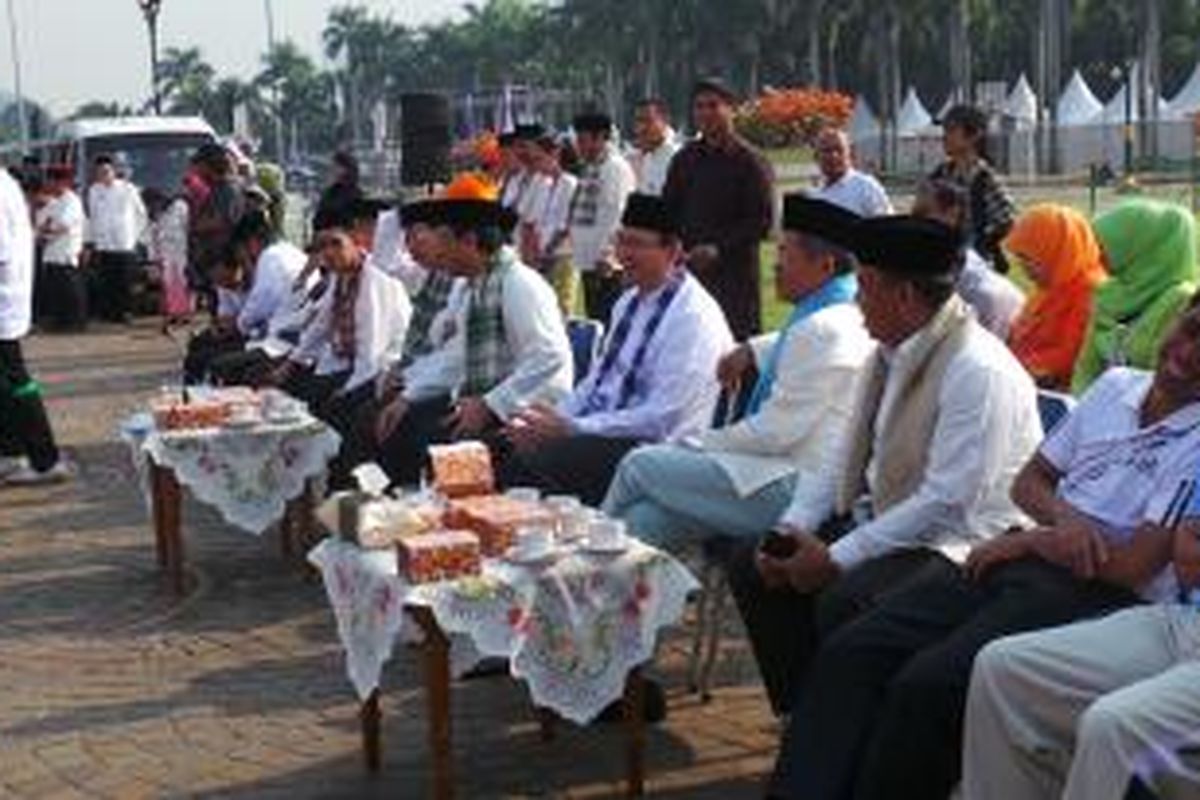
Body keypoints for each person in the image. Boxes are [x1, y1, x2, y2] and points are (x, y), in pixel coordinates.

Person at [779, 298, 1200, 800]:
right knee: (859, 644)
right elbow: (1030, 482)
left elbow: (1132, 568)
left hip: (1095, 591)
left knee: (929, 683)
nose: (1189, 352)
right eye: (1190, 329)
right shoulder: (1115, 387)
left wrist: (1039, 538)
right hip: (1023, 556)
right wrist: (1062, 522)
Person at [726, 215, 1041, 728]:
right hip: (893, 516)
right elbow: (841, 454)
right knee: (754, 561)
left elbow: (946, 501)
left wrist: (835, 557)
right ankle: (809, 714)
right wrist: (794, 528)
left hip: (961, 543)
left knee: (843, 597)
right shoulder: (889, 353)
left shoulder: (976, 369)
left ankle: (843, 723)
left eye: (866, 288)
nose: (856, 301)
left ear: (906, 298)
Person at [602, 196, 873, 547]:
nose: (774, 265)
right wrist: (750, 349)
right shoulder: (839, 311)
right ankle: (615, 585)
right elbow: (795, 343)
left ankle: (582, 554)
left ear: (824, 266)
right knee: (645, 522)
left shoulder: (822, 329)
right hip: (780, 474)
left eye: (784, 254)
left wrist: (703, 443)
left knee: (639, 464)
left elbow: (774, 433)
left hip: (794, 488)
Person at [965, 484, 1200, 800]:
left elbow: (1149, 563)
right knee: (1002, 665)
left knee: (1113, 725)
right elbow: (1188, 554)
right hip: (1184, 620)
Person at [497, 193, 733, 505]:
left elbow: (662, 416)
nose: (623, 254)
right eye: (621, 241)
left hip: (659, 450)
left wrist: (572, 428)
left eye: (637, 244)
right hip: (608, 431)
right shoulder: (628, 302)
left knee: (526, 467)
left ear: (673, 251)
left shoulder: (692, 316)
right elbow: (597, 382)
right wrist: (550, 421)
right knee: (503, 446)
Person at [375, 192, 573, 487]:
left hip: (528, 405)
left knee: (429, 438)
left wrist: (490, 405)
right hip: (487, 398)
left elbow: (549, 357)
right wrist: (408, 395)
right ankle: (404, 513)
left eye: (443, 239)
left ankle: (445, 520)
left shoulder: (519, 283)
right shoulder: (473, 287)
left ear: (468, 241)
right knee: (401, 419)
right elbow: (457, 358)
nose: (437, 250)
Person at [268, 206, 411, 414]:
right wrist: (290, 364)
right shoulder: (340, 276)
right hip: (345, 362)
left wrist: (346, 390)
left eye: (336, 244)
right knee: (293, 390)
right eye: (322, 247)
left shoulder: (376, 279)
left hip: (379, 368)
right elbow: (321, 324)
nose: (329, 253)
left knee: (326, 406)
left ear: (356, 240)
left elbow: (371, 353)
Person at [663, 77, 774, 341]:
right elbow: (668, 211)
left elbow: (761, 221)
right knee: (690, 346)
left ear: (731, 109)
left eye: (713, 106)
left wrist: (718, 248)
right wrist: (674, 245)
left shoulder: (751, 161)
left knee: (735, 349)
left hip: (734, 278)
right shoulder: (684, 159)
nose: (705, 113)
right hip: (688, 273)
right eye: (699, 107)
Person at [1073, 199, 1198, 394]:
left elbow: (1166, 377)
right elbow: (1086, 368)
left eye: (1108, 244)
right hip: (1099, 407)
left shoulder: (1181, 301)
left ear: (1142, 246)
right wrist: (1082, 409)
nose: (1099, 254)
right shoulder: (1110, 293)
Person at [0, 167, 72, 487]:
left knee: (16, 380)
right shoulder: (7, 183)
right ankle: (11, 453)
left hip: (3, 298)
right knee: (8, 381)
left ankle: (45, 460)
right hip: (8, 297)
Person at [1004, 204, 1107, 391]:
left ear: (1057, 251)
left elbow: (1070, 356)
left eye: (1029, 259)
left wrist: (1012, 370)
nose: (1022, 267)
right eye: (1019, 258)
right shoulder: (1053, 284)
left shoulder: (1091, 292)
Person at [913, 179, 1024, 340]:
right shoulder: (948, 257)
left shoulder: (975, 287)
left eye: (922, 212)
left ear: (951, 214)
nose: (914, 218)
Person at [568, 111, 637, 324]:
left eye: (583, 141)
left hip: (606, 266)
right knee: (596, 320)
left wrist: (608, 254)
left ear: (601, 138)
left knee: (609, 321)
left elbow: (618, 214)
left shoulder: (614, 168)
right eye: (577, 141)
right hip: (588, 261)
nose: (578, 147)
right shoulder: (591, 167)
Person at [929, 104, 1016, 269]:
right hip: (942, 265)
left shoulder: (985, 178)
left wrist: (982, 244)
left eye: (951, 130)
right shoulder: (939, 175)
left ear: (974, 135)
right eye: (944, 130)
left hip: (977, 269)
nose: (945, 136)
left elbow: (1007, 220)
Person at [84, 154, 146, 322]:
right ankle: (109, 313)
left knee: (125, 280)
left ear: (113, 171)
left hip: (124, 242)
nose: (102, 175)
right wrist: (93, 239)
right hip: (104, 243)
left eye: (106, 171)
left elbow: (141, 214)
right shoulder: (94, 190)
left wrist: (135, 236)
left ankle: (126, 312)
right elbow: (93, 215)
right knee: (107, 280)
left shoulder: (128, 188)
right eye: (99, 172)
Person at [525, 134, 579, 315]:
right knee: (546, 307)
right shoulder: (544, 184)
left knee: (563, 307)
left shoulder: (569, 183)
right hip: (544, 255)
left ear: (554, 155)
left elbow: (565, 226)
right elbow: (534, 221)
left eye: (539, 159)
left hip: (563, 254)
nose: (537, 165)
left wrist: (546, 251)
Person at [188, 143, 246, 300]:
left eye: (198, 164)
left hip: (226, 258)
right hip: (215, 258)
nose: (195, 170)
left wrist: (193, 227)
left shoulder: (229, 188)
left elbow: (224, 219)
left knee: (228, 301)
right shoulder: (217, 188)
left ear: (209, 165)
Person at [35, 165, 87, 331]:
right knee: (56, 290)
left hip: (65, 251)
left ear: (61, 183)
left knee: (69, 289)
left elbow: (63, 226)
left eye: (50, 181)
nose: (48, 185)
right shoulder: (54, 202)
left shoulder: (71, 200)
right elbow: (41, 222)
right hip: (52, 252)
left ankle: (75, 322)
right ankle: (60, 320)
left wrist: (45, 232)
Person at [810, 127, 892, 217]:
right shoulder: (813, 196)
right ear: (817, 157)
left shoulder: (866, 188)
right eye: (826, 150)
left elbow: (886, 225)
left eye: (839, 150)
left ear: (850, 154)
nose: (834, 156)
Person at [143, 188, 193, 331]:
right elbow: (151, 237)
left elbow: (188, 228)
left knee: (183, 283)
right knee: (168, 285)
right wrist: (153, 258)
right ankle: (173, 314)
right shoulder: (154, 214)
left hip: (181, 250)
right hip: (165, 254)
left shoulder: (180, 207)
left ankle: (184, 314)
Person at [630, 99, 680, 196]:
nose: (641, 127)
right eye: (638, 121)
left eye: (648, 121)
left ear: (665, 121)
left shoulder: (678, 158)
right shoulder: (639, 158)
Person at [312, 151, 364, 234]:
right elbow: (318, 221)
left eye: (336, 166)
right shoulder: (330, 193)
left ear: (346, 169)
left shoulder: (356, 194)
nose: (332, 169)